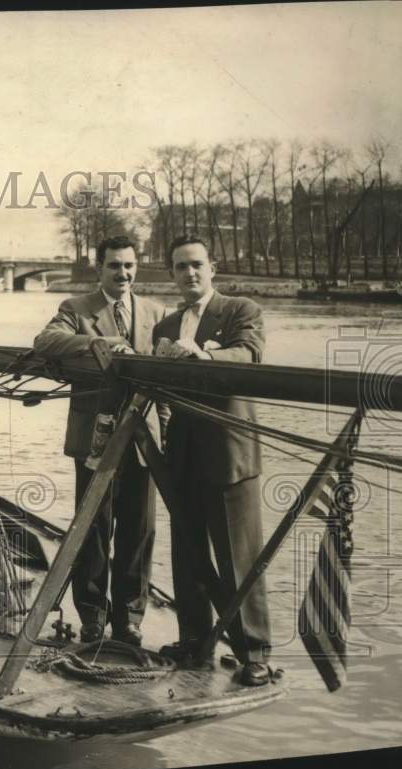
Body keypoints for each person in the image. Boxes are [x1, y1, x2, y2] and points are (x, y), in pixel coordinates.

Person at [34, 235, 168, 646]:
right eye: (114, 266)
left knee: (139, 530)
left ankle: (128, 618)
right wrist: (100, 343)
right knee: (93, 528)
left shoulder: (157, 313)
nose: (123, 274)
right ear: (100, 269)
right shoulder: (76, 310)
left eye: (129, 266)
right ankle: (92, 616)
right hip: (94, 439)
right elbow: (45, 343)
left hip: (144, 439)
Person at [152, 234, 272, 687]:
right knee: (187, 552)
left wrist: (204, 354)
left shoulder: (241, 311)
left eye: (197, 264)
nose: (190, 273)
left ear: (212, 268)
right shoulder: (164, 327)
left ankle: (255, 651)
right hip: (181, 451)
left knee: (238, 556)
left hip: (228, 453)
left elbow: (250, 355)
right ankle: (195, 639)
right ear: (172, 274)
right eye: (181, 266)